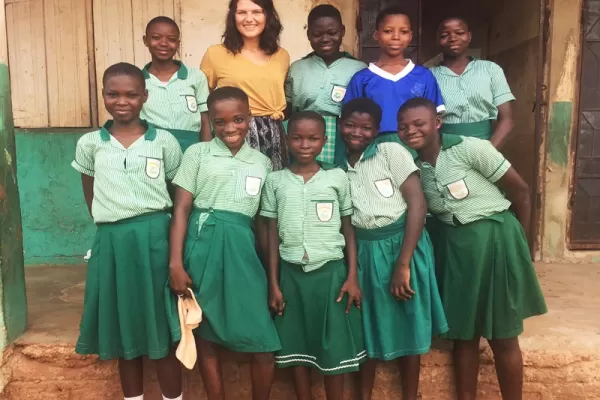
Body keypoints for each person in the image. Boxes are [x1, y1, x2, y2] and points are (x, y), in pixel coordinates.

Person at [398, 97, 547, 400]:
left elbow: (522, 192)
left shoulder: (472, 148)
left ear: (437, 123)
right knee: (463, 336)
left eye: (419, 123)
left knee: (503, 334)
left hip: (494, 240)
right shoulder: (415, 166)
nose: (411, 131)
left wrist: (521, 246)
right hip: (456, 251)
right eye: (403, 127)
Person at [71, 62, 183, 400]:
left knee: (160, 326)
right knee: (123, 326)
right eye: (113, 94)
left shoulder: (163, 140)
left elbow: (177, 193)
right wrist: (108, 221)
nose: (123, 101)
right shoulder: (91, 143)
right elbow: (89, 191)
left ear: (145, 96)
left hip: (154, 239)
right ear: (103, 96)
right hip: (112, 241)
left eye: (132, 94)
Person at [167, 87, 281, 400]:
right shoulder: (198, 154)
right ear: (211, 122)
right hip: (202, 245)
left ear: (250, 118)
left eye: (239, 119)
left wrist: (271, 280)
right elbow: (181, 209)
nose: (230, 128)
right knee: (206, 334)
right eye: (221, 122)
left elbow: (262, 223)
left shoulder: (262, 163)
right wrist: (176, 263)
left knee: (264, 342)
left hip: (243, 249)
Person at [339, 98, 448, 400]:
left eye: (366, 127)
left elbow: (417, 204)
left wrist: (403, 264)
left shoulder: (391, 152)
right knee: (367, 325)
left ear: (376, 130)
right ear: (339, 125)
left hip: (403, 245)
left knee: (407, 320)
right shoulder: (338, 166)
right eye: (350, 125)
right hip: (365, 251)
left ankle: (409, 395)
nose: (357, 132)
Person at [261, 111, 365, 400]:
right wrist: (273, 283)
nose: (304, 144)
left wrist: (352, 276)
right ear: (285, 138)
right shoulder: (275, 181)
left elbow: (348, 227)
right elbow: (270, 233)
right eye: (297, 137)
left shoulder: (336, 177)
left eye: (312, 138)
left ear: (324, 141)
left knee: (333, 349)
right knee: (297, 346)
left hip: (330, 273)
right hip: (291, 274)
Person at [341, 5, 444, 160]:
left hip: (416, 153)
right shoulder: (362, 79)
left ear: (410, 36)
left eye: (403, 32)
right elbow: (350, 122)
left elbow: (434, 122)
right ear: (376, 34)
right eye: (388, 31)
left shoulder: (423, 76)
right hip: (373, 152)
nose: (396, 37)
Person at [201, 0, 290, 170]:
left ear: (268, 16)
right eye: (242, 12)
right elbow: (204, 101)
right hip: (235, 131)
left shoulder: (282, 55)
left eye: (257, 12)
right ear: (233, 17)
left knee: (273, 187)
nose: (249, 18)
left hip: (274, 134)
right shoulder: (215, 54)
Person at [285, 4, 366, 164]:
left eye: (332, 33)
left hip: (344, 136)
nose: (325, 39)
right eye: (317, 34)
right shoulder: (297, 68)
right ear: (308, 34)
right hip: (303, 136)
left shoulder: (359, 69)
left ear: (342, 31)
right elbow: (288, 110)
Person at [430, 17, 515, 147]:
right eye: (444, 35)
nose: (453, 38)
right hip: (444, 151)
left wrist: (488, 154)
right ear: (437, 41)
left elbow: (507, 120)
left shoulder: (490, 69)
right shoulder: (429, 76)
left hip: (487, 147)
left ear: (469, 36)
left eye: (459, 33)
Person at [140, 16, 211, 151]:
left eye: (171, 39)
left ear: (178, 43)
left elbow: (204, 119)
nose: (164, 43)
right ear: (145, 40)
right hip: (151, 148)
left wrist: (206, 153)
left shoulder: (195, 77)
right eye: (156, 37)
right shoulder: (137, 79)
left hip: (191, 147)